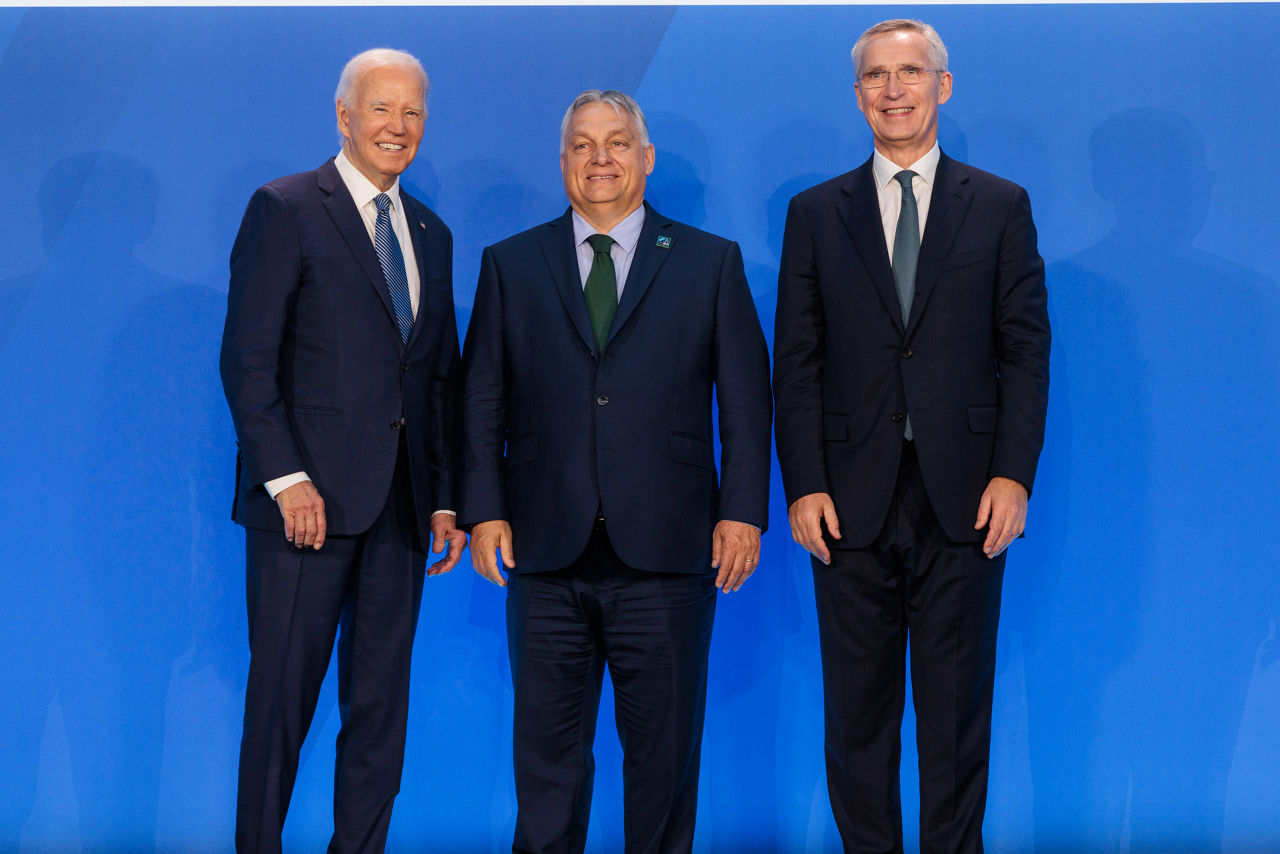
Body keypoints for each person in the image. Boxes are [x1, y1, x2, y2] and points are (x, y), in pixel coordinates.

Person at [460, 89, 772, 854]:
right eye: (583, 145)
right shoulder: (510, 264)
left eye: (617, 143)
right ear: (563, 160)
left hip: (668, 554)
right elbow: (481, 398)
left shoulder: (710, 262)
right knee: (546, 773)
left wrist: (742, 512)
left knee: (663, 771)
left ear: (646, 157)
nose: (600, 159)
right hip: (545, 553)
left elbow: (746, 400)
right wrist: (484, 509)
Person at [773, 19, 1050, 854]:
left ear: (943, 85)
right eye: (876, 76)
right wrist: (803, 482)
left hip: (966, 499)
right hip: (845, 502)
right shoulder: (815, 213)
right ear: (857, 93)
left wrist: (1014, 475)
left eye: (910, 72)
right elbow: (796, 360)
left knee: (955, 718)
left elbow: (1024, 353)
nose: (893, 90)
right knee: (856, 719)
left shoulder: (999, 205)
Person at [219, 48, 465, 854]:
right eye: (382, 107)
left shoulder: (431, 232)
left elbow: (435, 379)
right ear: (344, 115)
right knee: (280, 706)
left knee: (380, 712)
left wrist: (445, 498)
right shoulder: (285, 207)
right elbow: (247, 360)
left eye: (413, 112)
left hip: (401, 512)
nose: (398, 126)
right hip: (306, 511)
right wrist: (286, 480)